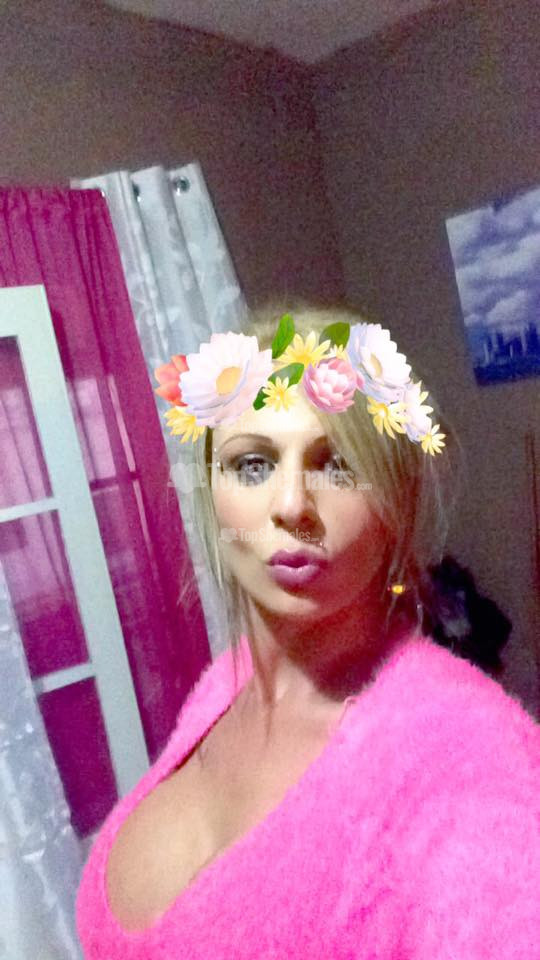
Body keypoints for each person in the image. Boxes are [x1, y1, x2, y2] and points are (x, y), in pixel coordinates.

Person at [76, 303, 540, 959]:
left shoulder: (472, 760)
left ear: (397, 499)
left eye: (337, 465)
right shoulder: (227, 683)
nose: (292, 504)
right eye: (253, 466)